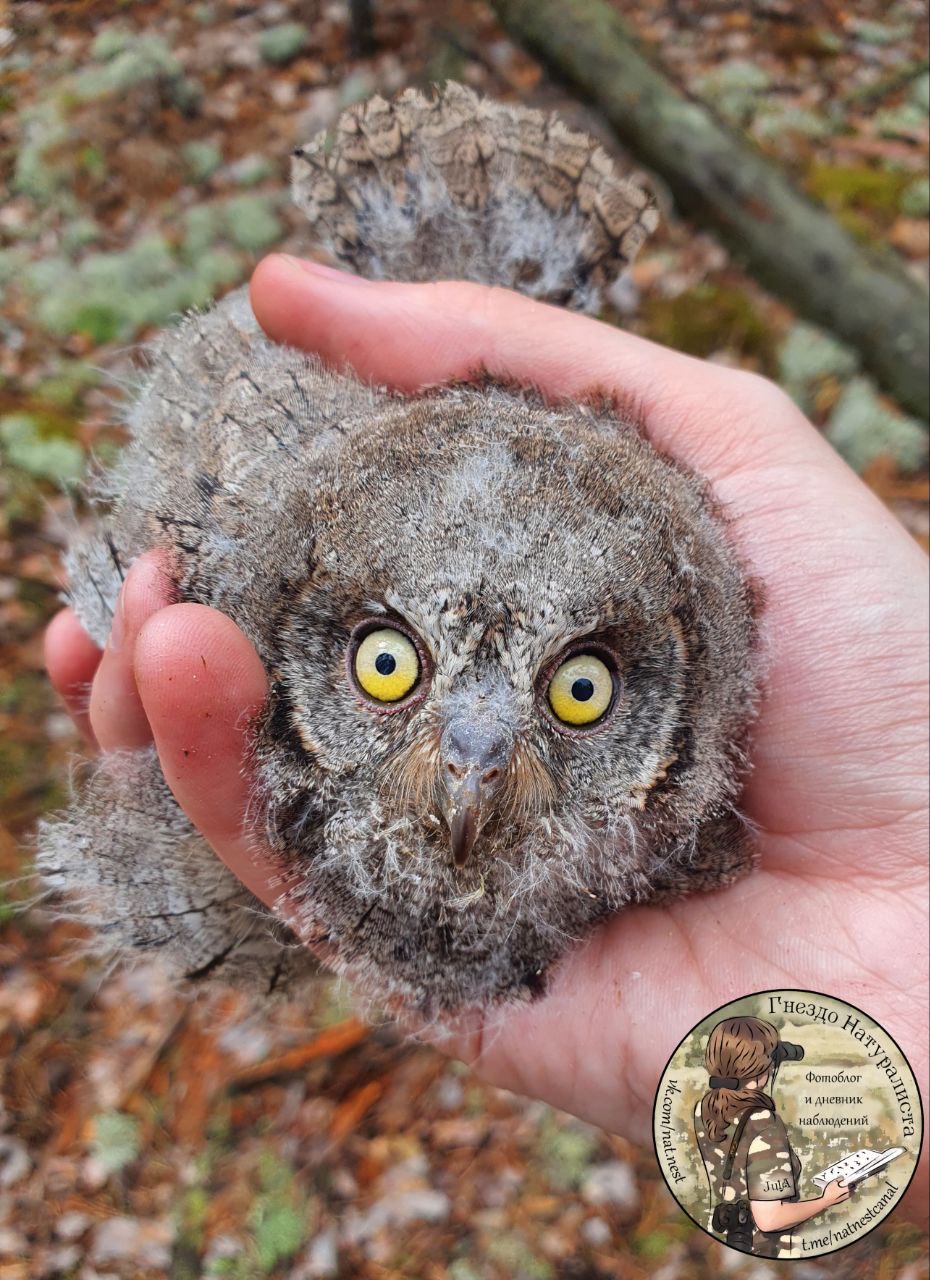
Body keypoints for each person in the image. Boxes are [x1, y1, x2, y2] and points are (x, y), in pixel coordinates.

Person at [44, 256, 929, 1217]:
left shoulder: (715, 824)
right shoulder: (270, 638)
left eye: (579, 691)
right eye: (389, 666)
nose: (474, 772)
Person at [695, 1016, 849, 1256]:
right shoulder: (764, 1124)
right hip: (769, 1248)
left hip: (727, 1239)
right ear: (762, 1071)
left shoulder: (705, 1108)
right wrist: (826, 1200)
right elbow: (770, 1219)